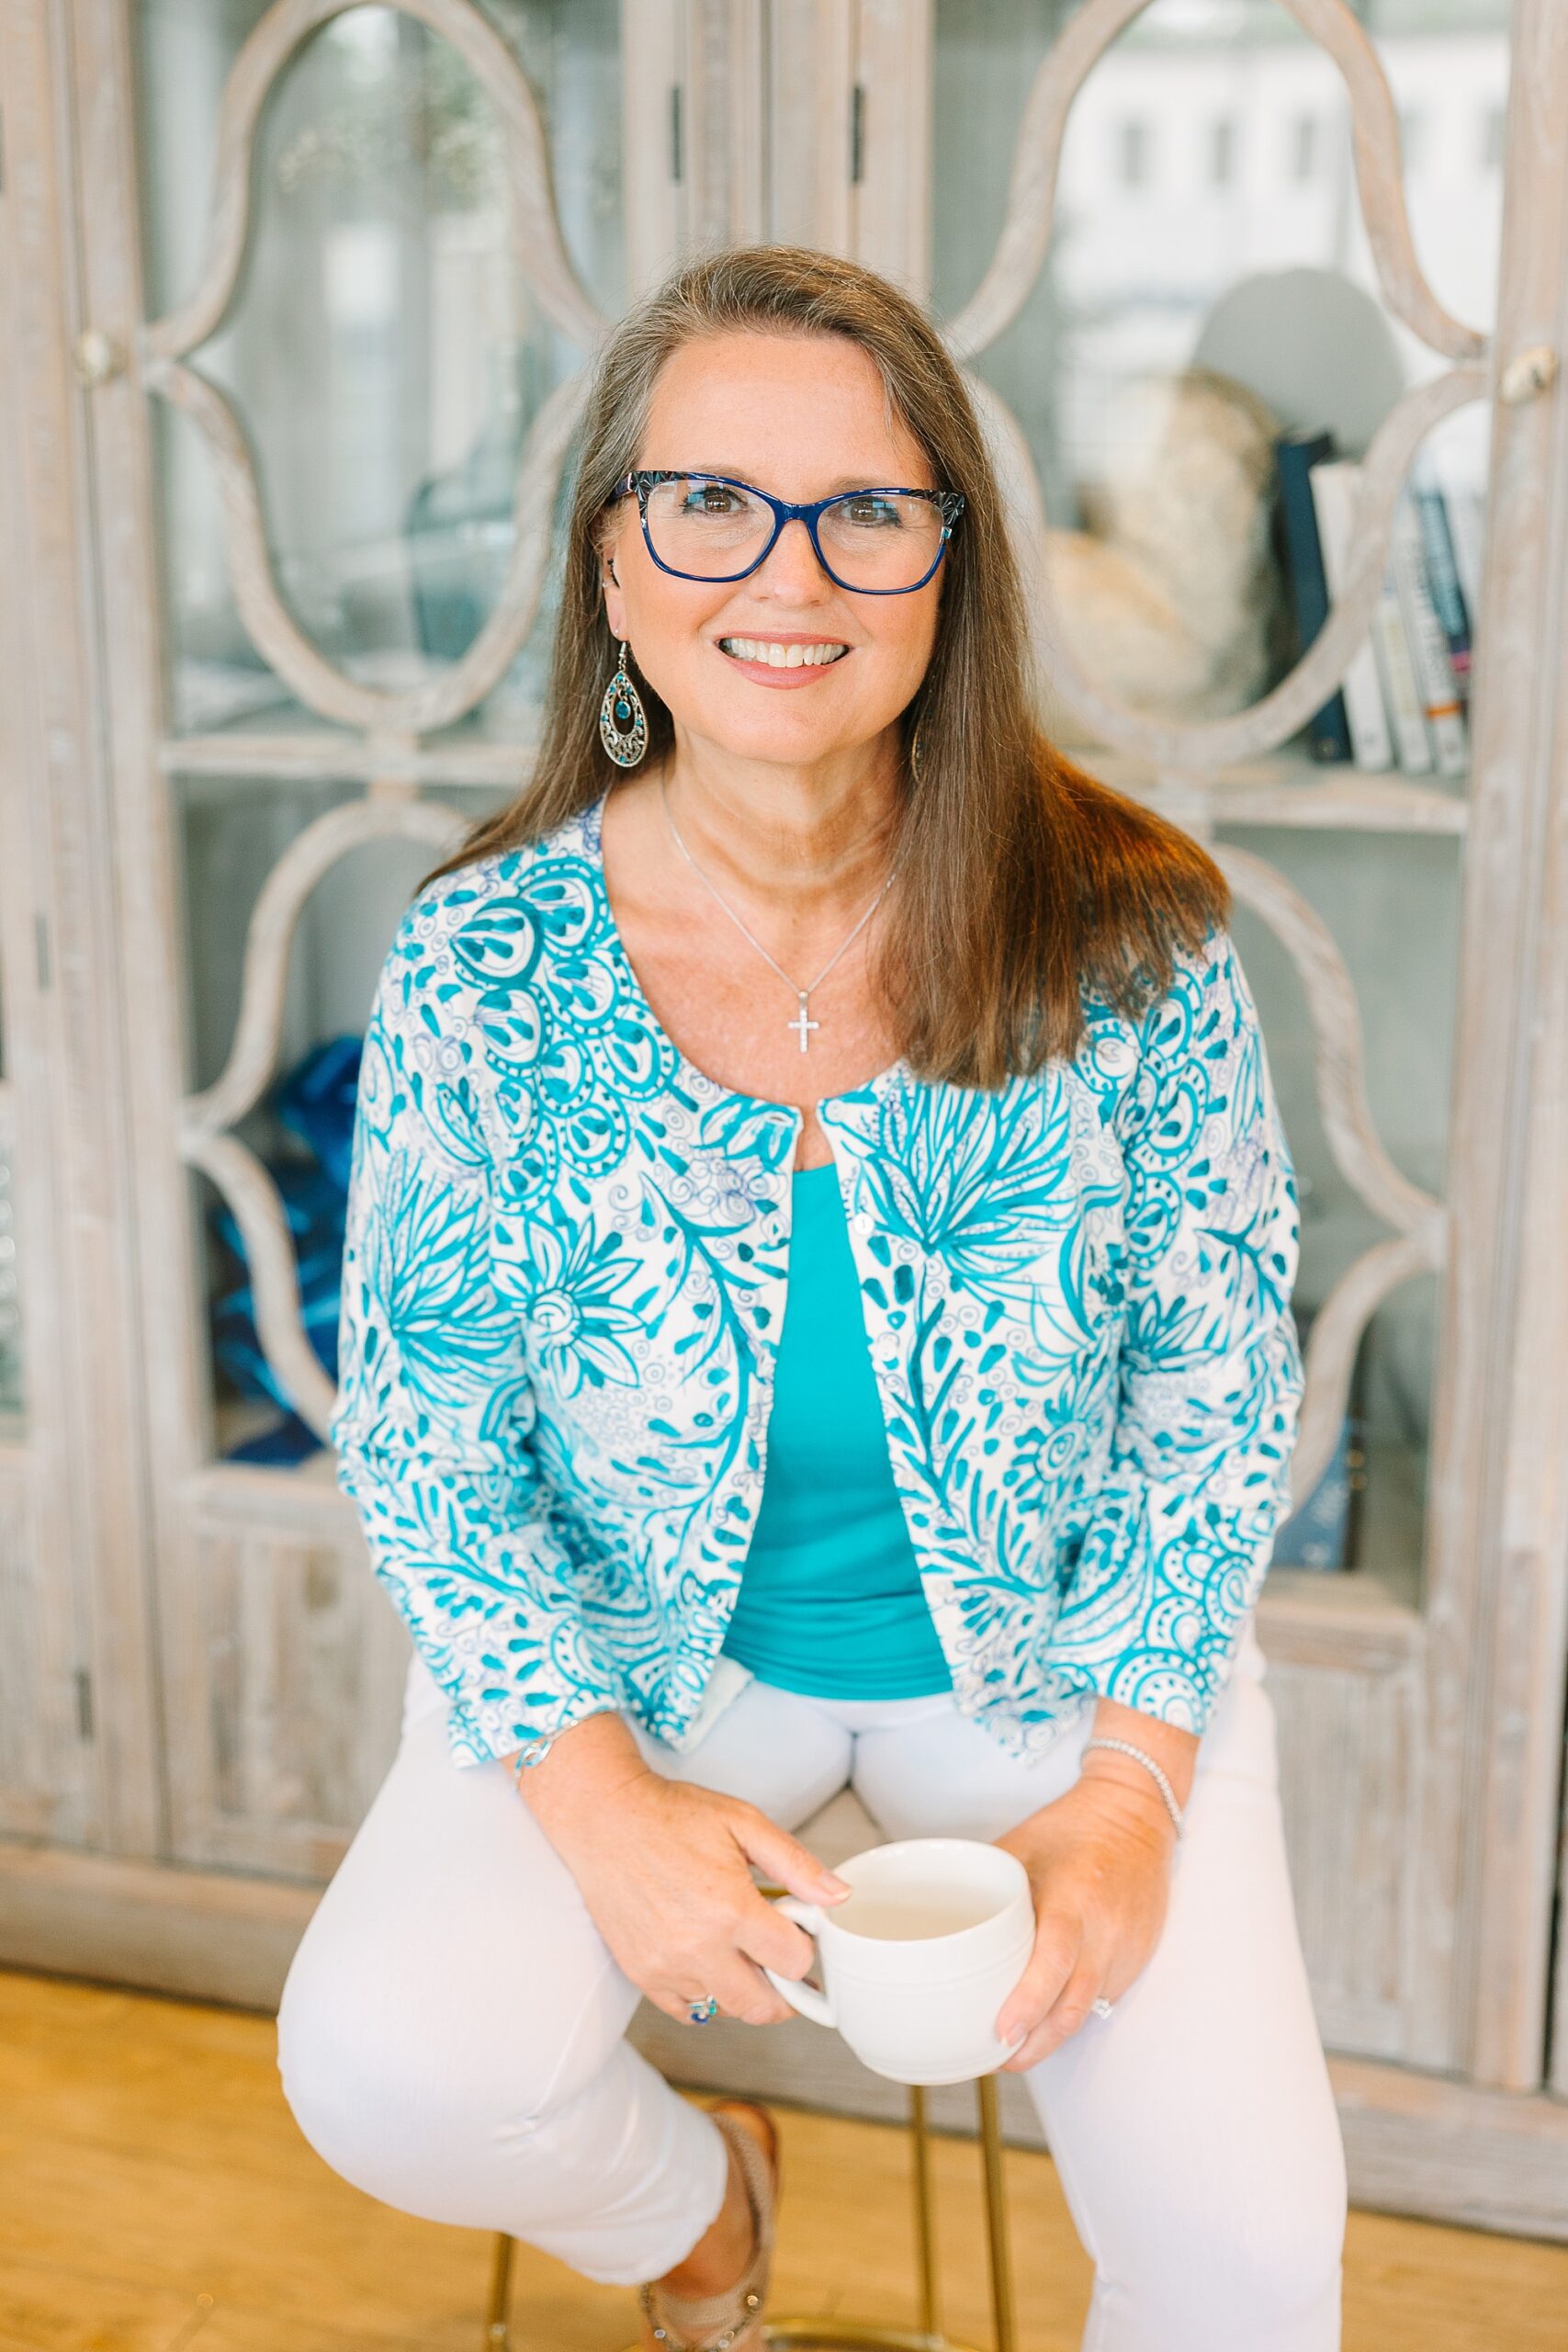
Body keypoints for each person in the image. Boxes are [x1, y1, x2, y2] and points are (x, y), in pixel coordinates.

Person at [277, 243, 1348, 2352]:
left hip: (1058, 1661)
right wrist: (593, 1801)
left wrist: (1129, 1794)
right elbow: (424, 1430)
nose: (792, 574)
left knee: (1244, 2270)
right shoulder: (479, 964)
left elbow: (1209, 1386)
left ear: (947, 560)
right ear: (610, 560)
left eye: (867, 509)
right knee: (391, 2066)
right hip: (635, 1653)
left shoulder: (1127, 935)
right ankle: (703, 2211)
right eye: (709, 503)